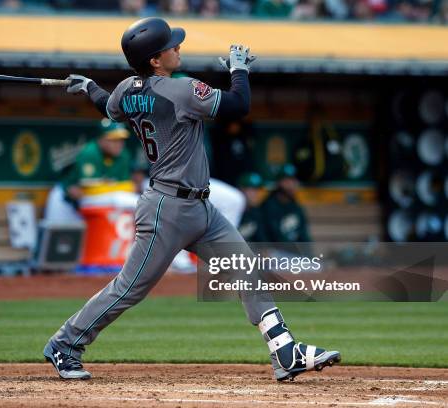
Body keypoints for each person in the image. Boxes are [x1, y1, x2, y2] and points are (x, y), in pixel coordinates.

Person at [44, 17, 339, 382]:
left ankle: (284, 350)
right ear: (154, 60)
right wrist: (239, 70)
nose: (177, 48)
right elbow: (238, 105)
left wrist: (90, 87)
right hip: (167, 208)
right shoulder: (180, 90)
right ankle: (65, 343)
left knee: (246, 268)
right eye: (171, 45)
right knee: (130, 288)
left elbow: (108, 106)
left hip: (200, 208)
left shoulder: (125, 89)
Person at [43, 119, 132, 222]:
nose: (119, 144)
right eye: (114, 140)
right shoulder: (90, 152)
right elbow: (90, 190)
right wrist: (112, 186)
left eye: (121, 140)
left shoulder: (124, 155)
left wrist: (107, 186)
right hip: (65, 201)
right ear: (101, 139)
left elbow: (128, 187)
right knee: (59, 236)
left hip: (87, 205)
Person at [262, 164, 312, 243]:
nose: (291, 185)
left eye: (293, 181)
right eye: (287, 181)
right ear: (279, 182)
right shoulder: (267, 207)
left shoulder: (296, 207)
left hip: (295, 252)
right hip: (275, 251)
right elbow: (270, 238)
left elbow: (304, 236)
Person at [237, 172, 268, 242]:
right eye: (252, 190)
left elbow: (262, 241)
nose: (257, 194)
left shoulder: (256, 212)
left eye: (258, 190)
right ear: (241, 190)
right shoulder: (232, 211)